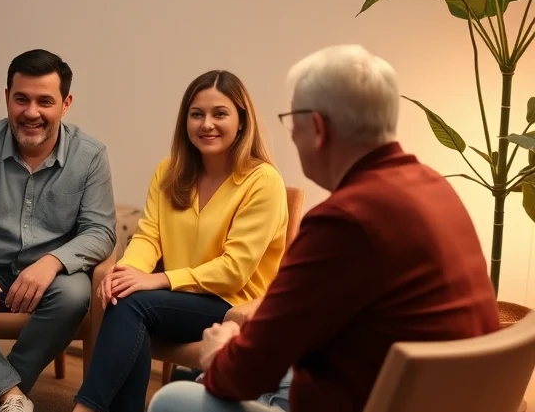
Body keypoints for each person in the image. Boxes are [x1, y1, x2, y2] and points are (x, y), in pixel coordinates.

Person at [147, 44, 500, 412]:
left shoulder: (344, 221)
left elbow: (243, 373)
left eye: (291, 120)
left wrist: (217, 353)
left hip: (377, 400)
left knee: (174, 399)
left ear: (316, 127)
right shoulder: (434, 186)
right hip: (438, 396)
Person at [72, 70, 290, 412]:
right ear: (185, 120)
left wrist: (156, 279)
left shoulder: (263, 181)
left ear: (242, 120)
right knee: (123, 296)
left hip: (233, 305)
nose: (207, 124)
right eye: (197, 114)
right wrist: (126, 272)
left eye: (220, 114)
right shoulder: (169, 171)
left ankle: (84, 409)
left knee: (134, 303)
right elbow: (148, 237)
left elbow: (235, 270)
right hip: (177, 299)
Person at [0, 49, 117, 412]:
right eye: (21, 99)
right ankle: (10, 396)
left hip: (48, 281)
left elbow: (100, 231)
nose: (31, 112)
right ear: (7, 98)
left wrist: (53, 262)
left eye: (45, 101)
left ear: (66, 104)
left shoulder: (90, 155)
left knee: (75, 293)